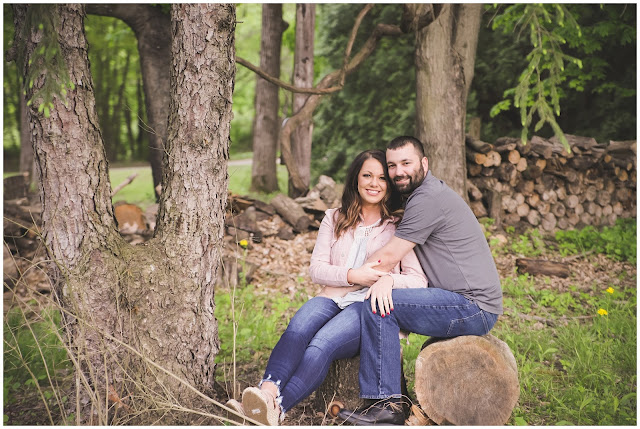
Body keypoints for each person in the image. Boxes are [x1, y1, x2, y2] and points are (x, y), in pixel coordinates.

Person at [225, 149, 427, 425]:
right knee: (298, 329)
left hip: (367, 308)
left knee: (321, 346)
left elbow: (418, 280)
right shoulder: (334, 218)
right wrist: (354, 274)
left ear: (389, 185)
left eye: (381, 178)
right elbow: (317, 269)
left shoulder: (399, 226)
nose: (374, 183)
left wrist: (387, 279)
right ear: (356, 178)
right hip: (333, 296)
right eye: (367, 175)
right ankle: (265, 395)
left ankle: (279, 410)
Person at [337, 136, 504, 426]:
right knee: (383, 299)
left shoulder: (428, 199)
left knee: (379, 306)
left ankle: (386, 407)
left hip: (473, 306)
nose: (398, 171)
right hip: (462, 300)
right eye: (392, 165)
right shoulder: (422, 195)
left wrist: (345, 278)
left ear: (424, 163)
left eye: (406, 163)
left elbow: (387, 257)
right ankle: (388, 401)